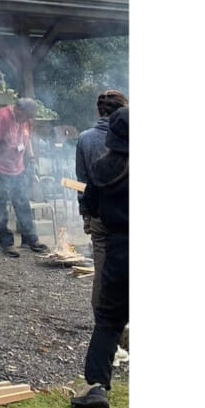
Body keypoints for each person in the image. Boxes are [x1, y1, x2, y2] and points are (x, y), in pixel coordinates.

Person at [71, 107, 128, 408]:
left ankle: (96, 386)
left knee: (108, 321)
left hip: (120, 254)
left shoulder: (103, 169)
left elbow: (92, 205)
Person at [75, 90, 129, 309]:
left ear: (99, 111)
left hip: (99, 216)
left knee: (102, 270)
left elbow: (83, 181)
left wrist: (86, 215)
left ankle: (102, 321)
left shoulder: (85, 138)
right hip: (127, 216)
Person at [0, 97, 50, 257]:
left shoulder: (27, 119)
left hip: (18, 168)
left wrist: (32, 159)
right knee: (0, 208)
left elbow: (27, 141)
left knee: (23, 204)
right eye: (26, 116)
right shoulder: (2, 117)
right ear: (18, 110)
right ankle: (6, 243)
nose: (28, 120)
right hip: (0, 170)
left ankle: (30, 239)